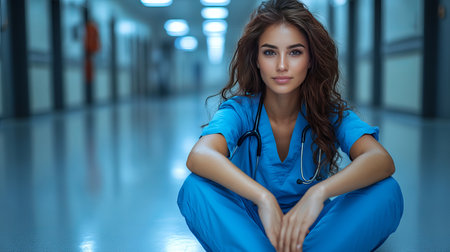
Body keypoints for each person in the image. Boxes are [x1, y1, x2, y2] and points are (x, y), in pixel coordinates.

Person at [177, 0, 403, 251]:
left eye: (295, 52)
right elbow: (200, 155)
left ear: (310, 59)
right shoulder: (240, 111)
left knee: (387, 191)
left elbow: (380, 159)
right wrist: (263, 198)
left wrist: (317, 194)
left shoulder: (328, 112)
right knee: (195, 189)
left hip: (313, 228)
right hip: (250, 226)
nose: (282, 65)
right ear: (257, 60)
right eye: (270, 52)